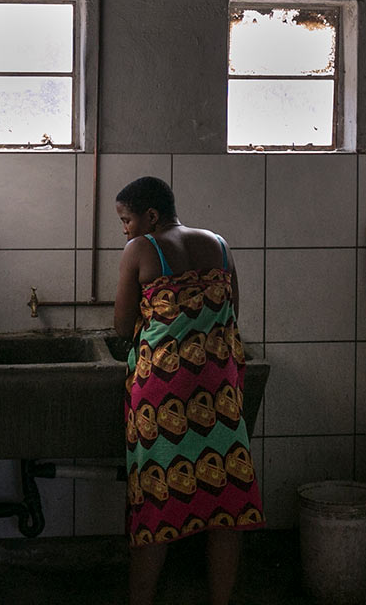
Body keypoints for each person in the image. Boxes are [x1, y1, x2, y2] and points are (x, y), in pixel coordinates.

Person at [112, 176, 264, 605]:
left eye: (126, 220)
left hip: (162, 394)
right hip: (219, 392)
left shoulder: (141, 249)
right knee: (226, 505)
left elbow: (122, 328)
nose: (124, 229)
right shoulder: (219, 243)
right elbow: (232, 312)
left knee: (156, 500)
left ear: (151, 216)